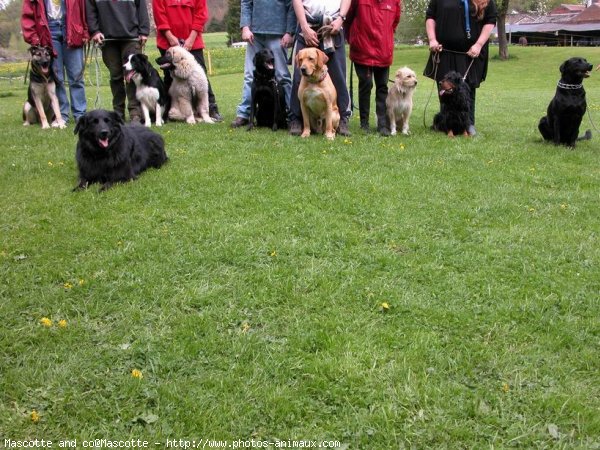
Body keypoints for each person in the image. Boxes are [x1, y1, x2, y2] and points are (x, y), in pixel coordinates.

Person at [424, 0, 497, 136]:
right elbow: (430, 16)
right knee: (446, 90)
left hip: (471, 52)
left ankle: (468, 124)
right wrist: (432, 39)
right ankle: (447, 125)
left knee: (468, 88)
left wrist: (479, 44)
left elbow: (490, 20)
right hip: (444, 51)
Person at [288, 0, 352, 137]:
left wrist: (341, 19)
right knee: (300, 76)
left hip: (333, 24)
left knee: (338, 76)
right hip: (307, 25)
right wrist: (304, 27)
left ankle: (342, 119)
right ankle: (296, 119)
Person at [153, 0, 223, 122]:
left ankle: (211, 108)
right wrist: (170, 38)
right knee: (170, 77)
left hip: (193, 40)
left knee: (201, 77)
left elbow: (200, 14)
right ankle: (169, 111)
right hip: (167, 41)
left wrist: (191, 39)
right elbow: (159, 15)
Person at [230, 0, 296, 128]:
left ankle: (292, 115)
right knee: (250, 75)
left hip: (278, 34)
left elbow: (292, 6)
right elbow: (246, 3)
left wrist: (289, 32)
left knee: (282, 76)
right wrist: (245, 27)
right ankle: (244, 113)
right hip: (254, 35)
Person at [21, 0, 89, 124]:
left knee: (77, 76)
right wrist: (33, 37)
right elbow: (28, 15)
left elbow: (83, 8)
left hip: (72, 29)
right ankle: (62, 116)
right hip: (48, 31)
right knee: (57, 78)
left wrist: (85, 31)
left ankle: (80, 115)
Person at [86, 0, 150, 122]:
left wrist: (144, 31)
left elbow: (141, 7)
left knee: (132, 76)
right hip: (108, 39)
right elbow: (90, 10)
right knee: (115, 76)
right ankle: (118, 114)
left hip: (131, 37)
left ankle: (135, 113)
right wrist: (95, 31)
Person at [346, 0, 401, 136]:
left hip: (383, 52)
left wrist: (385, 37)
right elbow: (348, 18)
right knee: (366, 85)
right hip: (362, 50)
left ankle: (382, 124)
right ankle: (364, 123)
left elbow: (394, 23)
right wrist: (353, 38)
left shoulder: (395, 2)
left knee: (382, 87)